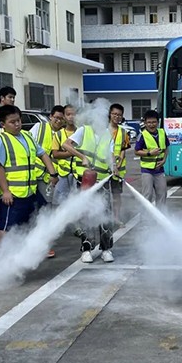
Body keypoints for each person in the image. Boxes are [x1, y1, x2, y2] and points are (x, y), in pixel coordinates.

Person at [0, 105, 58, 242]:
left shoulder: (27, 136)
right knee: (6, 226)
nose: (17, 124)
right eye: (12, 122)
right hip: (13, 194)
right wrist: (5, 191)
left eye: (19, 120)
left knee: (33, 220)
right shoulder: (2, 141)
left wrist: (53, 174)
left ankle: (21, 253)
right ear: (3, 124)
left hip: (30, 191)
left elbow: (43, 154)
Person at [63, 110, 118, 264]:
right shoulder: (83, 131)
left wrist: (114, 166)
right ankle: (86, 249)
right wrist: (82, 157)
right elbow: (65, 145)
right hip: (85, 179)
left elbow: (111, 154)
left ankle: (106, 249)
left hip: (102, 179)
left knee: (106, 214)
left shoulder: (108, 135)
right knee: (86, 214)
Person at [29, 105, 65, 258]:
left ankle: (44, 245)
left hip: (49, 178)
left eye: (60, 118)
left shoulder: (63, 134)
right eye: (56, 117)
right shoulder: (39, 127)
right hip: (32, 176)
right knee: (32, 210)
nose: (58, 120)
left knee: (45, 211)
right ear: (50, 116)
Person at [134, 110, 169, 209]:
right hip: (147, 171)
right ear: (145, 123)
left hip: (159, 170)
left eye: (154, 122)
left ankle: (160, 218)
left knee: (162, 194)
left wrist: (164, 160)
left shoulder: (162, 133)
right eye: (149, 122)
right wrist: (149, 153)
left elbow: (166, 147)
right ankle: (145, 220)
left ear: (158, 122)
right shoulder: (142, 135)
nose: (151, 125)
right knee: (147, 195)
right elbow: (136, 151)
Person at [105, 103, 130, 226]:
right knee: (103, 195)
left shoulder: (124, 132)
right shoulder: (102, 129)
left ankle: (116, 218)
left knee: (116, 195)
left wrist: (120, 161)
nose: (116, 117)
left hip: (118, 169)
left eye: (119, 115)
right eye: (114, 114)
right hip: (103, 168)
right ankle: (103, 218)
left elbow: (124, 148)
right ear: (109, 114)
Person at [51, 104, 77, 206]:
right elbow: (55, 154)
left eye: (73, 114)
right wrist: (71, 152)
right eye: (68, 114)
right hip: (63, 174)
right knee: (59, 202)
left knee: (77, 202)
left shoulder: (81, 132)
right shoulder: (59, 134)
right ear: (64, 117)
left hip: (77, 175)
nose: (71, 117)